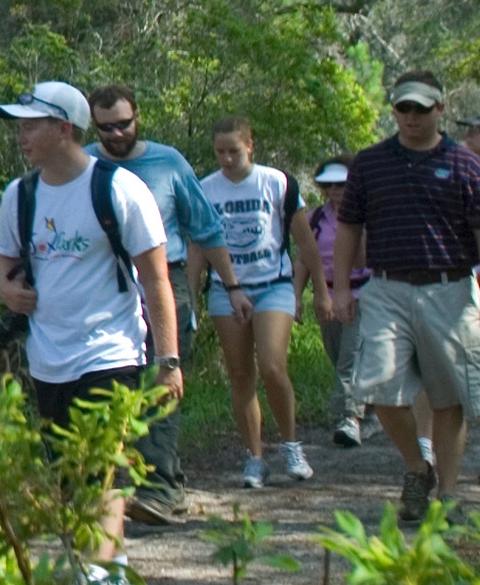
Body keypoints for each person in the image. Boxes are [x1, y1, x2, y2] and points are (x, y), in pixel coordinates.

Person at [0, 81, 182, 583]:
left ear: (63, 129)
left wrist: (168, 360)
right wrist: (9, 292)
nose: (21, 135)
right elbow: (5, 261)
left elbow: (157, 278)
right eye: (19, 125)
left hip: (111, 352)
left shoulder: (118, 188)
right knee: (72, 476)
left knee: (101, 469)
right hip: (48, 357)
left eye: (31, 125)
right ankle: (110, 567)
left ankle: (97, 574)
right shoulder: (20, 194)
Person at [85, 85, 252, 526]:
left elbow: (206, 228)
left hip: (166, 278)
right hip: (104, 284)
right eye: (107, 127)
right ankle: (150, 483)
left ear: (138, 117)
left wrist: (232, 287)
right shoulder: (86, 165)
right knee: (113, 386)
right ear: (93, 126)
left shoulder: (167, 162)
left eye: (125, 123)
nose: (118, 133)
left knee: (163, 379)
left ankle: (158, 489)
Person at [332, 71, 480, 522]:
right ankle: (418, 470)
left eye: (420, 109)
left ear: (439, 109)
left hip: (449, 288)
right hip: (387, 286)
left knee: (450, 396)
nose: (410, 118)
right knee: (379, 390)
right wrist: (340, 287)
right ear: (394, 110)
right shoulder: (371, 163)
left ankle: (449, 495)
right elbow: (349, 226)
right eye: (403, 109)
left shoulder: (463, 163)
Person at [197, 116, 328, 489]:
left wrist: (320, 289)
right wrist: (187, 298)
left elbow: (305, 242)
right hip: (226, 288)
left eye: (233, 151)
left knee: (272, 365)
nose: (226, 159)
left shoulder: (276, 182)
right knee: (240, 375)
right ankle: (254, 457)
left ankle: (291, 445)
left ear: (250, 146)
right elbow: (199, 247)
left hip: (273, 284)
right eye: (219, 152)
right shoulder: (206, 189)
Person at [294, 155, 381, 449]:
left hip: (364, 293)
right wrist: (297, 296)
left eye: (342, 184)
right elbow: (305, 259)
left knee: (350, 358)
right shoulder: (315, 220)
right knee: (338, 354)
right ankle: (371, 412)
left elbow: (369, 258)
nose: (336, 191)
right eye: (329, 185)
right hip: (327, 295)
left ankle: (349, 419)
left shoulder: (369, 216)